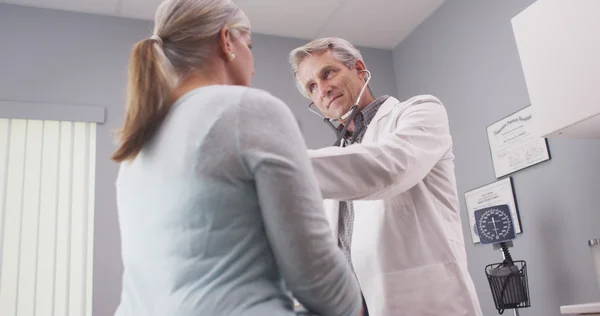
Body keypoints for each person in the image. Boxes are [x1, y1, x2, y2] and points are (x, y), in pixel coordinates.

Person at [111, 1, 363, 315]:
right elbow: (316, 276)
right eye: (250, 45)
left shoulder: (137, 144)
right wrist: (355, 306)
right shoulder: (247, 109)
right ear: (226, 40)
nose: (253, 63)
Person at [289, 37, 484, 316]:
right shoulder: (339, 159)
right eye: (311, 87)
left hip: (428, 303)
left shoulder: (420, 112)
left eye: (328, 72)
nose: (322, 89)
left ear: (358, 68)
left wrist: (282, 162)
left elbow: (388, 168)